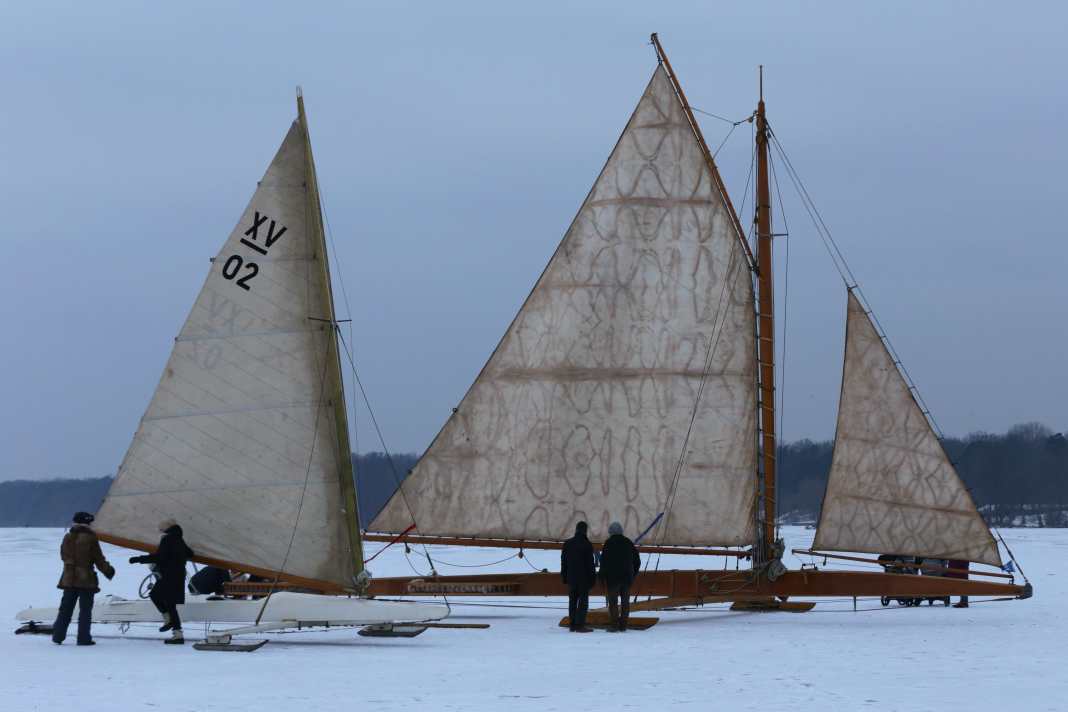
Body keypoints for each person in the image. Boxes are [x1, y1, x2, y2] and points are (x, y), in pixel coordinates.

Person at [52, 512, 115, 645]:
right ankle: (83, 638)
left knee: (65, 609)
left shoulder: (67, 537)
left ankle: (57, 636)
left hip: (68, 578)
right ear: (87, 523)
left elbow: (63, 556)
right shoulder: (90, 538)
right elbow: (98, 559)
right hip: (86, 579)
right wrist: (108, 571)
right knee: (85, 611)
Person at [130, 519, 195, 644]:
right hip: (179, 575)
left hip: (169, 575)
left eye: (160, 530)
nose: (160, 532)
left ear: (166, 529)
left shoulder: (167, 539)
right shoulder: (179, 539)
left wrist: (138, 559)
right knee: (171, 604)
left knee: (154, 595)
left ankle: (168, 619)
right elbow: (190, 553)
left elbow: (160, 557)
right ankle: (178, 635)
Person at [598, 521, 641, 632]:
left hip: (613, 579)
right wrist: (633, 574)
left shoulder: (608, 543)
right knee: (625, 603)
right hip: (626, 579)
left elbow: (603, 562)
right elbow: (637, 561)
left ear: (611, 532)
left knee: (613, 603)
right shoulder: (628, 542)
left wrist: (601, 577)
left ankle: (614, 625)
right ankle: (623, 626)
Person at [560, 521, 596, 633]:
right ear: (585, 531)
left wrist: (564, 576)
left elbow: (563, 562)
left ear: (576, 530)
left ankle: (572, 624)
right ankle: (580, 625)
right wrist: (592, 579)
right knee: (583, 602)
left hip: (571, 577)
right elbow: (591, 564)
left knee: (572, 601)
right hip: (584, 579)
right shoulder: (587, 544)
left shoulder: (567, 544)